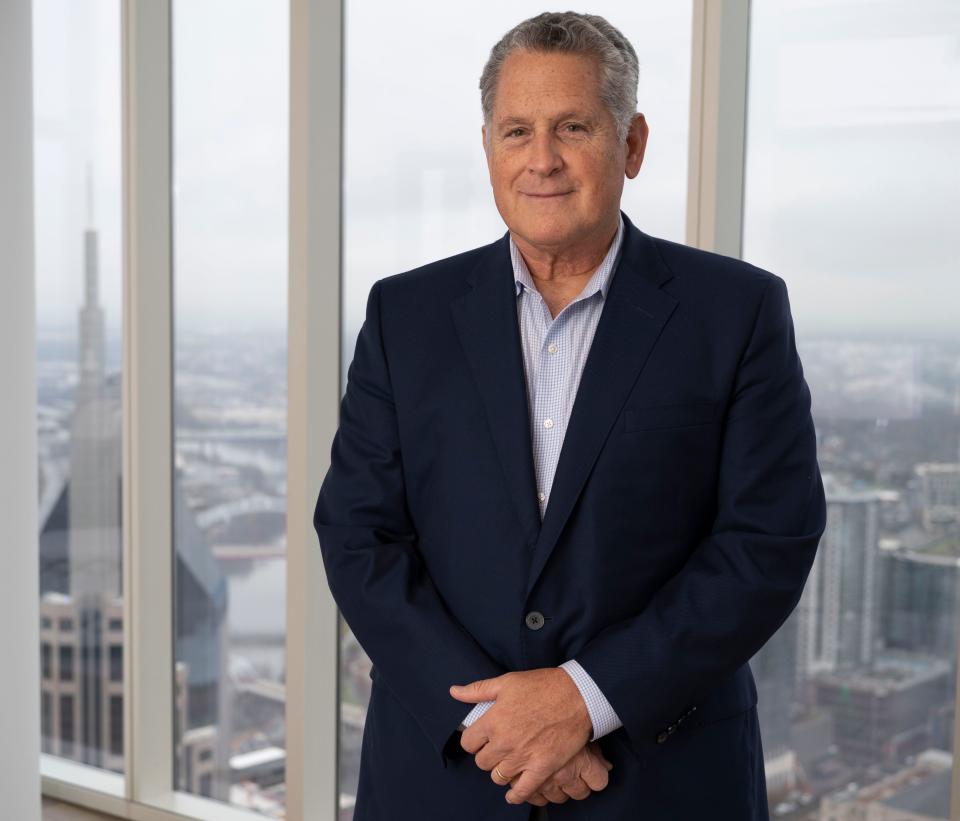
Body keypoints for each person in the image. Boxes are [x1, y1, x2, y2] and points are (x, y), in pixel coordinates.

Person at [313, 11, 826, 821]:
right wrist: (496, 723)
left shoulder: (737, 312)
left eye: (573, 127)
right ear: (487, 145)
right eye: (517, 130)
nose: (542, 159)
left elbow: (768, 541)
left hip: (663, 780)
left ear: (632, 144)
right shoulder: (404, 315)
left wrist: (587, 699)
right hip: (447, 776)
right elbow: (357, 533)